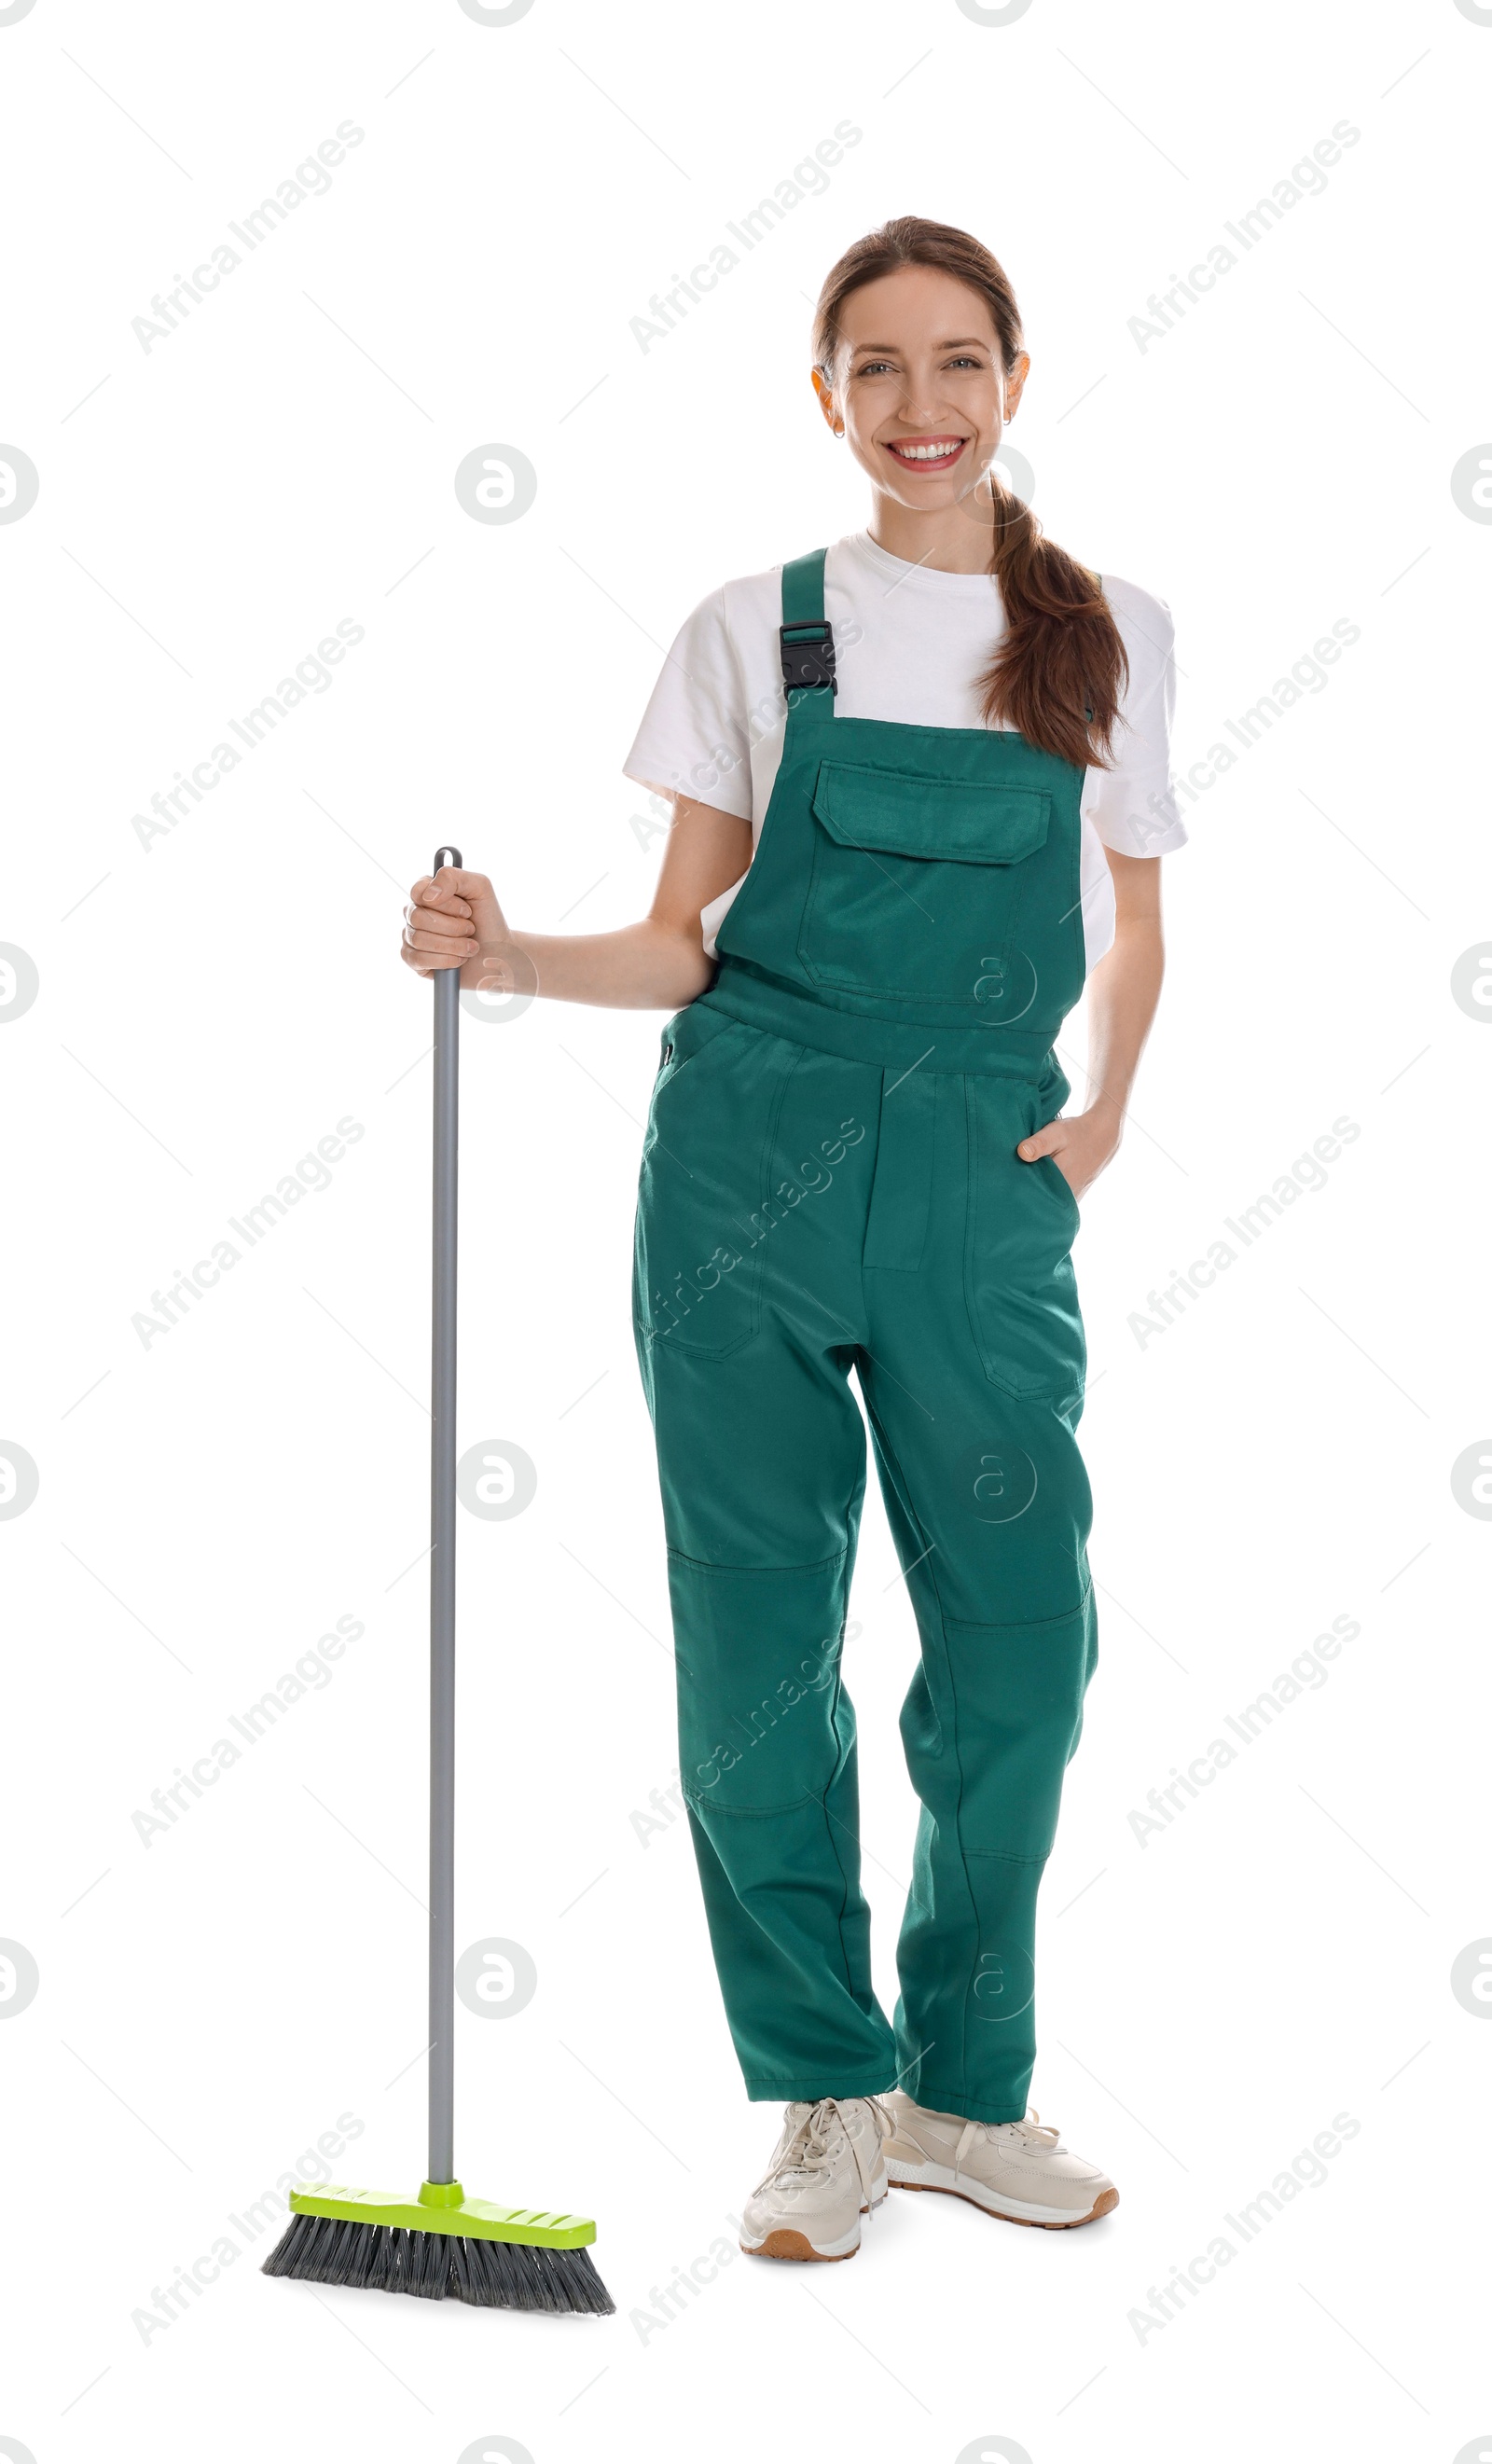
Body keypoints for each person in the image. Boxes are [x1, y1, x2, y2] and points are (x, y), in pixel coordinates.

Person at [400, 215, 1184, 2264]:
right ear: (821, 395)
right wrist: (508, 961)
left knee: (1021, 1647)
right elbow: (680, 938)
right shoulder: (755, 631)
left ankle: (959, 2087)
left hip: (975, 1183)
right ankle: (825, 2099)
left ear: (1014, 376)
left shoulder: (1105, 630)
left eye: (954, 364)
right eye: (873, 370)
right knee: (757, 1652)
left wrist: (1094, 1118)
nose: (917, 408)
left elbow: (1140, 920)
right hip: (742, 1162)